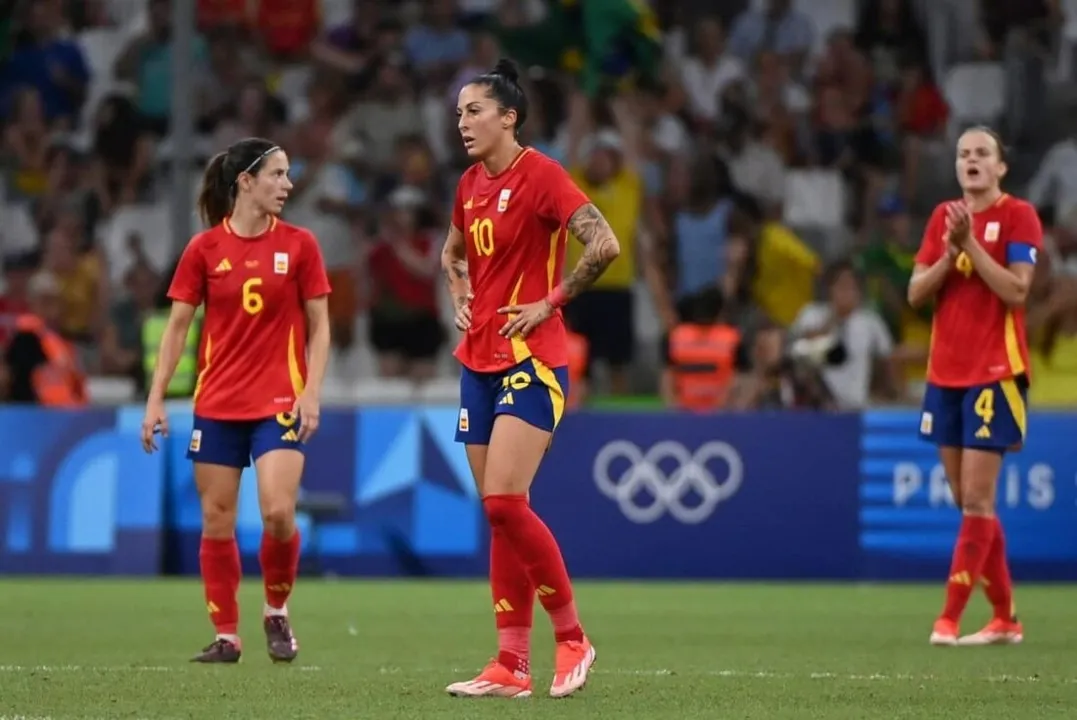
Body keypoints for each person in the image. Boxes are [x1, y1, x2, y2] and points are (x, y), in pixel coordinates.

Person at [442, 59, 620, 699]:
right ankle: (510, 665)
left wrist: (552, 302)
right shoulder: (468, 184)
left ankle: (573, 638)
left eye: (474, 111)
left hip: (532, 359)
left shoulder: (542, 175)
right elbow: (453, 251)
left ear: (508, 117)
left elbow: (604, 244)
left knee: (504, 502)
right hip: (477, 361)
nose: (462, 121)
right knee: (499, 516)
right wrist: (460, 290)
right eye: (460, 112)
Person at [140, 137, 332, 664]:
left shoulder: (300, 245)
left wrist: (311, 390)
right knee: (217, 519)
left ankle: (276, 609)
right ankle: (227, 635)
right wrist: (156, 399)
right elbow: (177, 329)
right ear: (245, 182)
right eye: (277, 174)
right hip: (217, 404)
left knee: (276, 512)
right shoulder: (204, 250)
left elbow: (320, 326)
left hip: (278, 403)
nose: (287, 185)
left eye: (288, 174)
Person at [908, 126, 1041, 647]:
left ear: (1000, 167)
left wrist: (971, 249)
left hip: (995, 370)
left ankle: (948, 618)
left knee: (979, 501)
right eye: (964, 153)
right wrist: (949, 253)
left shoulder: (1018, 215)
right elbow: (916, 292)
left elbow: (1017, 290)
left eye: (982, 153)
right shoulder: (943, 216)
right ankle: (1005, 617)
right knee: (966, 499)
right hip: (945, 373)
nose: (971, 161)